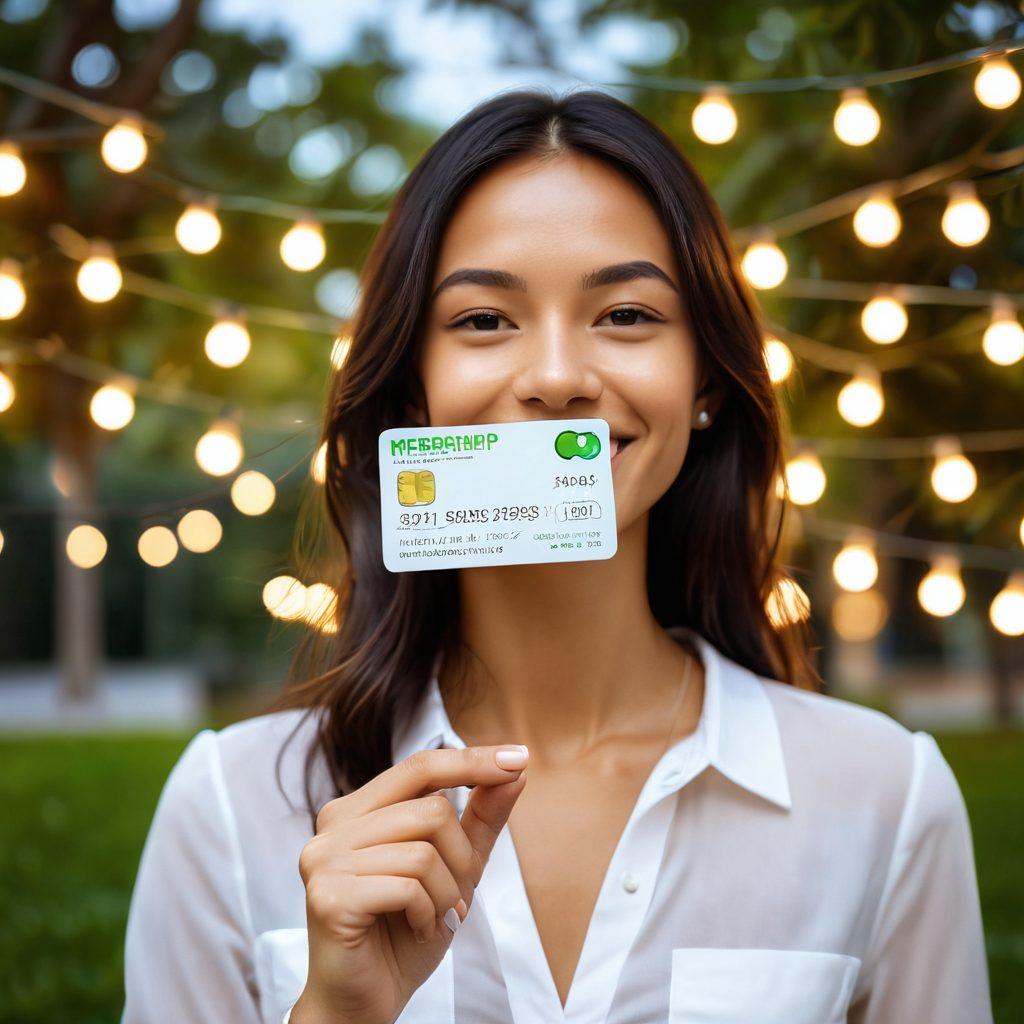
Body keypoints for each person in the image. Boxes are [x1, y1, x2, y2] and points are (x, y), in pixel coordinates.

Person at [121, 88, 993, 1024]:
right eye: (483, 321)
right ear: (412, 392)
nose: (555, 379)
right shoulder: (228, 808)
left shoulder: (887, 797)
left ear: (705, 381)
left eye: (626, 314)